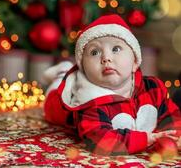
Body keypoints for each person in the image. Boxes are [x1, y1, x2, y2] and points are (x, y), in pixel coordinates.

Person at [43, 14, 181, 155]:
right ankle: (62, 73)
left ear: (135, 62)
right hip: (58, 105)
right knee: (52, 104)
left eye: (116, 49)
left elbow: (171, 115)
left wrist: (177, 135)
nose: (106, 58)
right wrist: (145, 139)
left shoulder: (153, 88)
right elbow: (102, 142)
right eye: (95, 52)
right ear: (83, 68)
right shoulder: (89, 102)